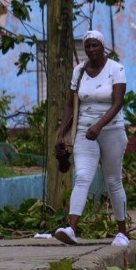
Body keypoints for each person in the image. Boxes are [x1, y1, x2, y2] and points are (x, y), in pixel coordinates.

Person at [54, 30, 130, 247]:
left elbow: (117, 102)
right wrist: (61, 133)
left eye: (95, 45)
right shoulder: (79, 71)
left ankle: (122, 233)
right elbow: (70, 105)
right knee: (82, 176)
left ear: (103, 47)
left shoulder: (116, 69)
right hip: (84, 131)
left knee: (113, 180)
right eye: (87, 46)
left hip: (111, 130)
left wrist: (99, 125)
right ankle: (71, 229)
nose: (91, 49)